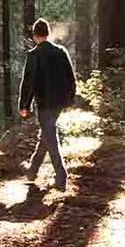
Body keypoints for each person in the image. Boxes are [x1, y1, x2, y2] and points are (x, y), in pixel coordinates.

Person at [17, 18, 76, 191]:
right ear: (47, 34)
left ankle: (61, 176)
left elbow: (28, 82)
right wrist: (69, 100)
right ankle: (32, 170)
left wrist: (24, 105)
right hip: (58, 104)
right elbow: (70, 78)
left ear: (35, 36)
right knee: (46, 135)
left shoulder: (33, 55)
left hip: (43, 104)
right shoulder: (61, 51)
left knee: (50, 137)